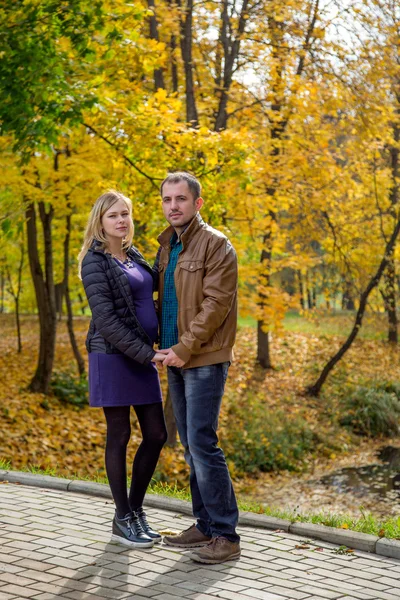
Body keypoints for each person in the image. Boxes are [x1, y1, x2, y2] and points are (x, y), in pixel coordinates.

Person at [156, 172, 241, 564]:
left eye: (181, 199)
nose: (173, 206)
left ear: (197, 203)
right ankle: (204, 525)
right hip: (174, 356)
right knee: (191, 447)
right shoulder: (166, 246)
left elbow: (215, 306)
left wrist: (185, 348)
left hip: (203, 357)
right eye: (167, 199)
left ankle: (226, 534)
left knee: (203, 444)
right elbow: (162, 303)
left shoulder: (217, 245)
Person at [79, 190, 167, 549]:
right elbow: (107, 321)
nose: (122, 220)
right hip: (114, 356)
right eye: (114, 215)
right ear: (100, 221)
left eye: (126, 214)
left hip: (144, 356)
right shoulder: (94, 262)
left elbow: (152, 298)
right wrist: (147, 354)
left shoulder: (134, 255)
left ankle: (135, 510)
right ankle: (122, 517)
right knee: (119, 435)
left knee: (157, 434)